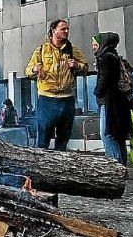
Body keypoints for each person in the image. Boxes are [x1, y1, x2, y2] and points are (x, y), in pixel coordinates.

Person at [24, 19, 87, 151]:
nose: (66, 31)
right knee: (43, 137)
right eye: (63, 29)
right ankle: (41, 166)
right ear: (54, 31)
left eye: (67, 29)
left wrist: (77, 65)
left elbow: (85, 67)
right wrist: (35, 69)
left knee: (64, 137)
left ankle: (59, 166)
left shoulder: (73, 50)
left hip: (67, 99)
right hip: (47, 99)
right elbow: (28, 71)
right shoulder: (41, 50)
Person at [92, 32, 130, 165]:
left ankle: (115, 167)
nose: (93, 46)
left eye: (95, 43)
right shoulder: (116, 57)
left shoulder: (105, 58)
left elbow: (104, 80)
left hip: (109, 102)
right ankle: (122, 167)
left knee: (107, 134)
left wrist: (97, 91)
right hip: (120, 101)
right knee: (118, 135)